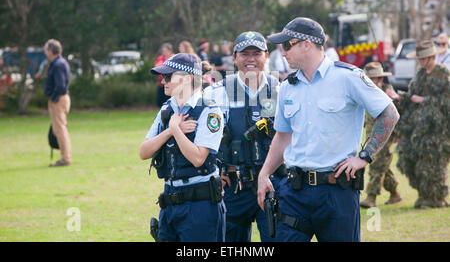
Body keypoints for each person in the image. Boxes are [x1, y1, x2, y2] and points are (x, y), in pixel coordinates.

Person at [257, 17, 399, 242]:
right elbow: (283, 136)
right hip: (294, 192)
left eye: (287, 45)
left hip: (337, 192)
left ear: (306, 44)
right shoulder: (287, 87)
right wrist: (264, 174)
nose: (283, 53)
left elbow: (389, 113)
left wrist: (364, 157)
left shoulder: (348, 77)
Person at [204, 31, 285, 242]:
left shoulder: (282, 90)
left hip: (273, 184)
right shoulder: (215, 92)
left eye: (256, 53)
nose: (251, 59)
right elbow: (204, 138)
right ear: (234, 57)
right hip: (233, 186)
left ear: (266, 55)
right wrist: (214, 172)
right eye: (244, 53)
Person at [140, 53, 226, 242]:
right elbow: (144, 152)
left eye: (168, 76)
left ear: (187, 78)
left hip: (200, 205)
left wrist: (175, 130)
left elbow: (198, 158)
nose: (163, 81)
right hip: (169, 203)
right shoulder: (167, 109)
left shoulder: (210, 111)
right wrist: (170, 130)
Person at [396, 40, 450, 209]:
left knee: (433, 166)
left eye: (422, 58)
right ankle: (424, 196)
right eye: (418, 58)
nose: (419, 61)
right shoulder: (420, 75)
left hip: (438, 130)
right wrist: (399, 98)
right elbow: (412, 96)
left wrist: (425, 100)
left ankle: (435, 199)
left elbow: (447, 102)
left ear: (432, 57)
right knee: (407, 160)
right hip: (417, 128)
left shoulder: (444, 74)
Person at [359, 62, 402, 208]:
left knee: (376, 165)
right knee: (383, 166)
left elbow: (397, 114)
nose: (376, 82)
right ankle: (395, 193)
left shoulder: (387, 91)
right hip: (370, 136)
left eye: (379, 79)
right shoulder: (363, 92)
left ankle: (371, 198)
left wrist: (396, 98)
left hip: (386, 137)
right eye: (373, 79)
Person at [44, 39, 72, 167]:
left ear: (51, 50)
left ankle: (65, 159)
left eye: (46, 49)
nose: (45, 52)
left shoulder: (58, 64)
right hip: (60, 98)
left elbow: (60, 85)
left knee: (60, 130)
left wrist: (54, 98)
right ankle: (65, 157)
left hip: (58, 99)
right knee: (59, 129)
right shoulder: (59, 63)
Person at [154, 43, 174, 107]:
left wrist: (161, 66)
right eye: (163, 51)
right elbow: (156, 67)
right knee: (160, 100)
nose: (164, 53)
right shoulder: (160, 58)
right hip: (161, 81)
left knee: (169, 99)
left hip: (170, 81)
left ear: (170, 51)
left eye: (165, 51)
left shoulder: (173, 58)